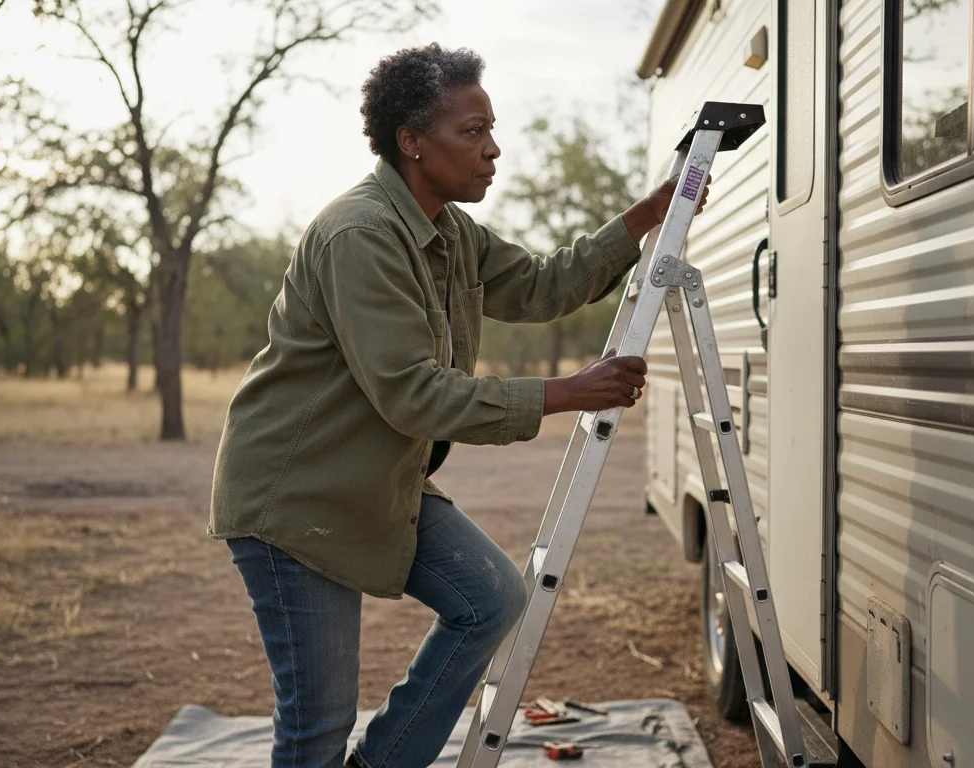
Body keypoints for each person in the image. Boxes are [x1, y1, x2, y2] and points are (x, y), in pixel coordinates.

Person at [209, 43, 709, 768]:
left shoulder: (450, 230)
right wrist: (569, 393)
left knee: (490, 597)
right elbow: (413, 394)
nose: (493, 149)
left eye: (490, 129)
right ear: (412, 142)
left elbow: (543, 285)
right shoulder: (362, 234)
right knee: (315, 729)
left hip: (375, 484)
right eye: (472, 132)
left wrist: (644, 217)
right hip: (298, 499)